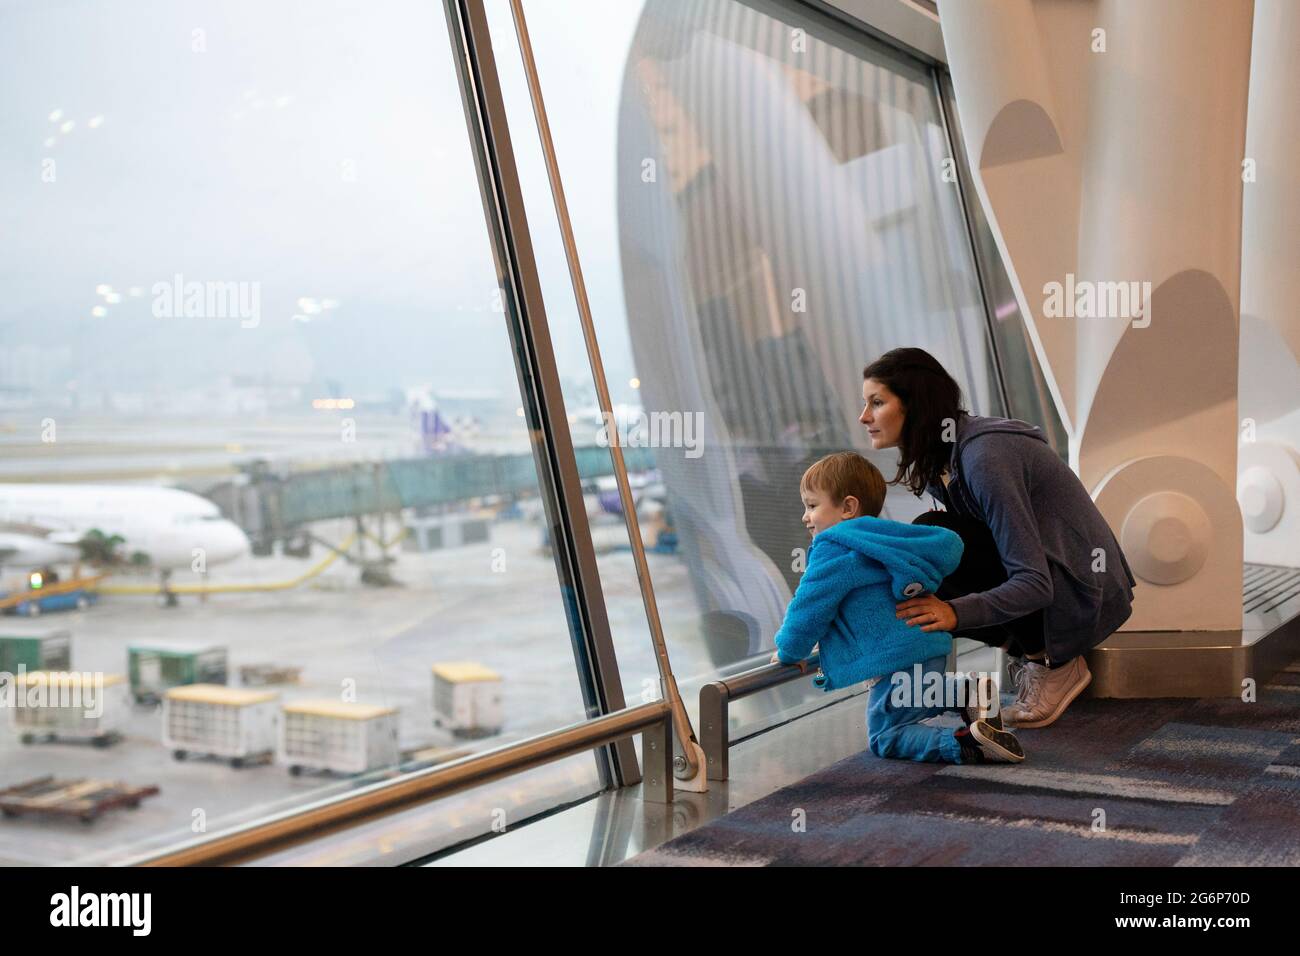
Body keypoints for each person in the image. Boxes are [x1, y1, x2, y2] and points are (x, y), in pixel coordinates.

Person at [861, 348, 1137, 728]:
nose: (864, 417)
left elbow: (1034, 583)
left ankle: (1051, 663)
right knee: (925, 542)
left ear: (915, 404)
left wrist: (954, 612)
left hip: (1081, 594)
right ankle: (1030, 653)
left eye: (876, 403)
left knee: (938, 537)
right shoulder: (941, 459)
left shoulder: (984, 458)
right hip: (1056, 586)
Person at [771, 451, 1024, 764]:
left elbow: (808, 608)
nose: (805, 516)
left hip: (895, 660)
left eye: (812, 505)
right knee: (920, 697)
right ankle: (967, 693)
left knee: (887, 734)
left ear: (848, 507)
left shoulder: (833, 547)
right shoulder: (886, 541)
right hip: (927, 647)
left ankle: (965, 744)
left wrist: (788, 650)